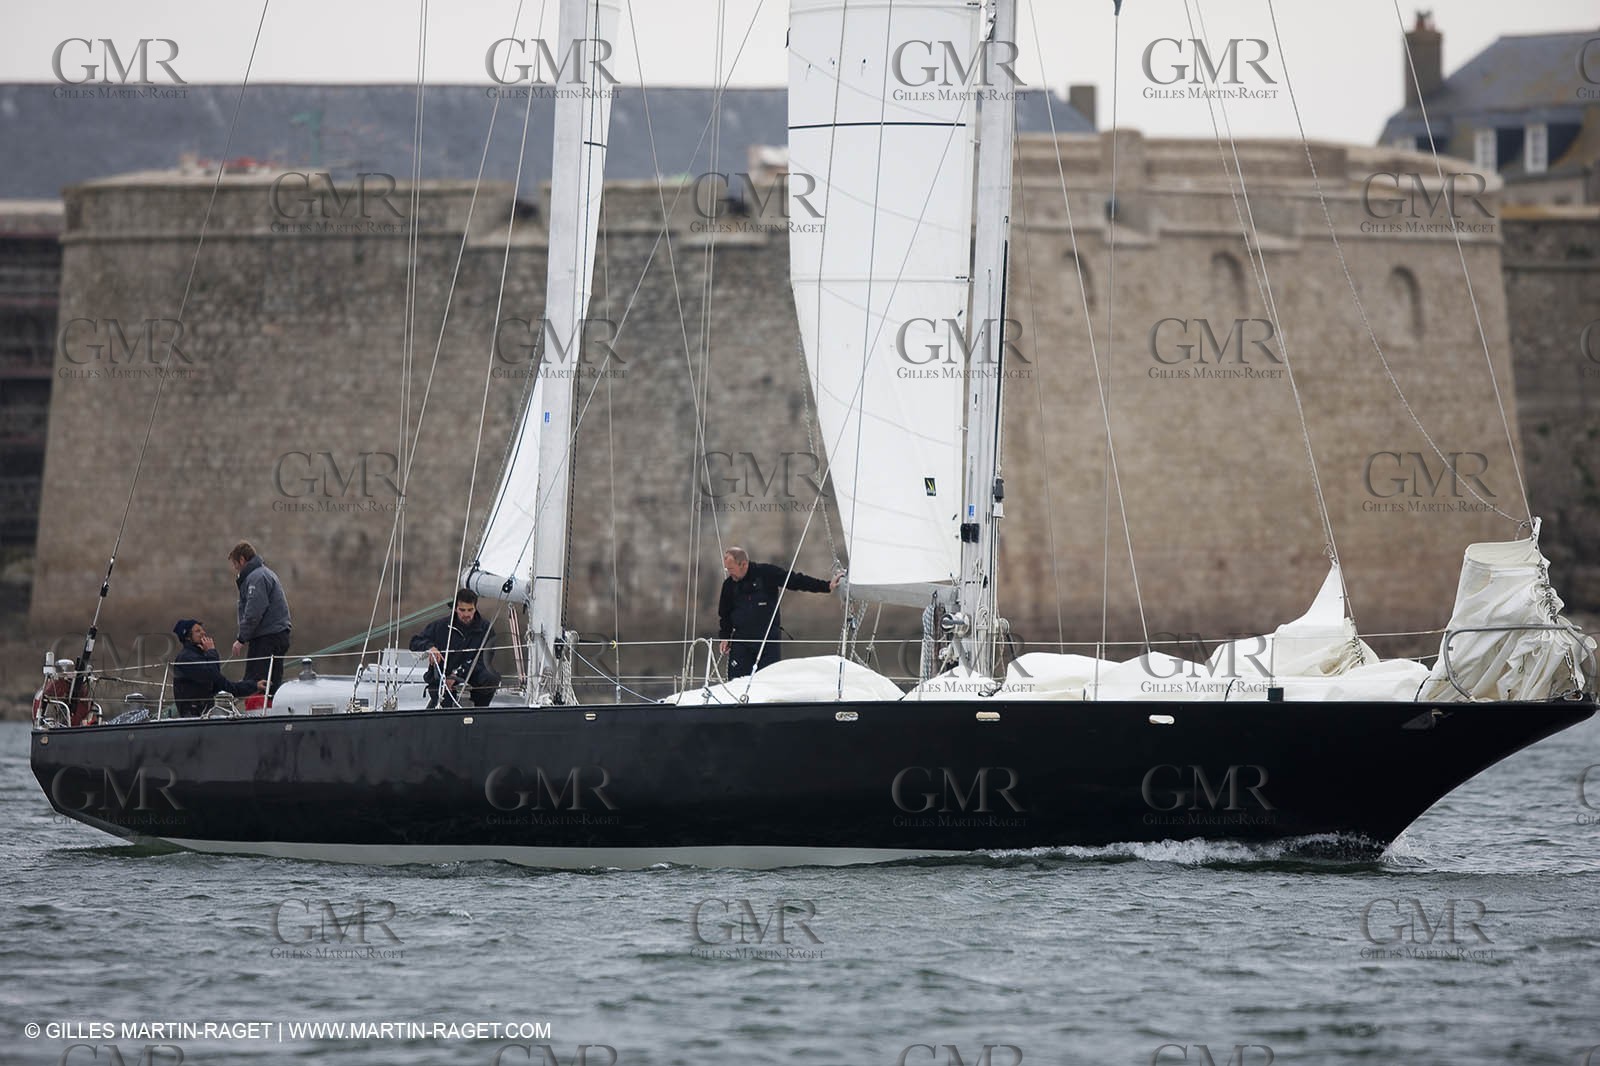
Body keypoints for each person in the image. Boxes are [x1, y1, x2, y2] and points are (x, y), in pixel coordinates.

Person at [717, 546, 839, 679]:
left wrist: (827, 586)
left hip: (767, 642)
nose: (729, 573)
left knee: (768, 682)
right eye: (727, 569)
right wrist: (725, 636)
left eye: (731, 569)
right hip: (742, 641)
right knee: (736, 683)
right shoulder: (729, 585)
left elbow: (796, 581)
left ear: (744, 564)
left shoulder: (766, 573)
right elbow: (725, 613)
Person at [409, 588, 501, 708]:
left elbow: (484, 660)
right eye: (462, 610)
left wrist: (457, 675)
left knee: (492, 677)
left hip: (473, 675)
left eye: (470, 610)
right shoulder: (441, 626)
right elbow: (415, 642)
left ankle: (480, 710)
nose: (466, 614)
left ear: (475, 608)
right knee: (445, 708)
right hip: (442, 678)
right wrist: (429, 648)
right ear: (455, 609)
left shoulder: (486, 629)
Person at [229, 541, 293, 697]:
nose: (235, 568)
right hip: (277, 635)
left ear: (242, 560)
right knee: (272, 683)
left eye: (235, 564)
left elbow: (254, 612)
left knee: (256, 683)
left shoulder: (257, 577)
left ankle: (259, 715)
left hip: (267, 639)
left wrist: (241, 639)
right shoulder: (264, 573)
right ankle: (270, 712)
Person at [171, 619, 264, 718]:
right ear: (188, 637)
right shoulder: (186, 658)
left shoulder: (202, 656)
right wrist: (211, 652)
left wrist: (254, 686)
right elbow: (212, 675)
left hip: (205, 713)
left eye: (202, 630)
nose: (203, 633)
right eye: (198, 631)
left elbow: (225, 685)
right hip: (192, 715)